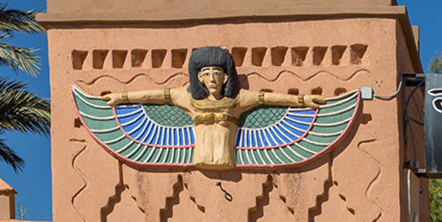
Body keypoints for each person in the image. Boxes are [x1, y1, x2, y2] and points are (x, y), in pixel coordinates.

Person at [105, 45, 326, 171]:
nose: (212, 78)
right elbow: (153, 96)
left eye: (217, 73)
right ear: (199, 77)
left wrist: (303, 102)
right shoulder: (187, 98)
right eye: (207, 73)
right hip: (200, 155)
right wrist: (120, 97)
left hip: (225, 157)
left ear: (226, 76)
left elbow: (268, 99)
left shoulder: (239, 100)